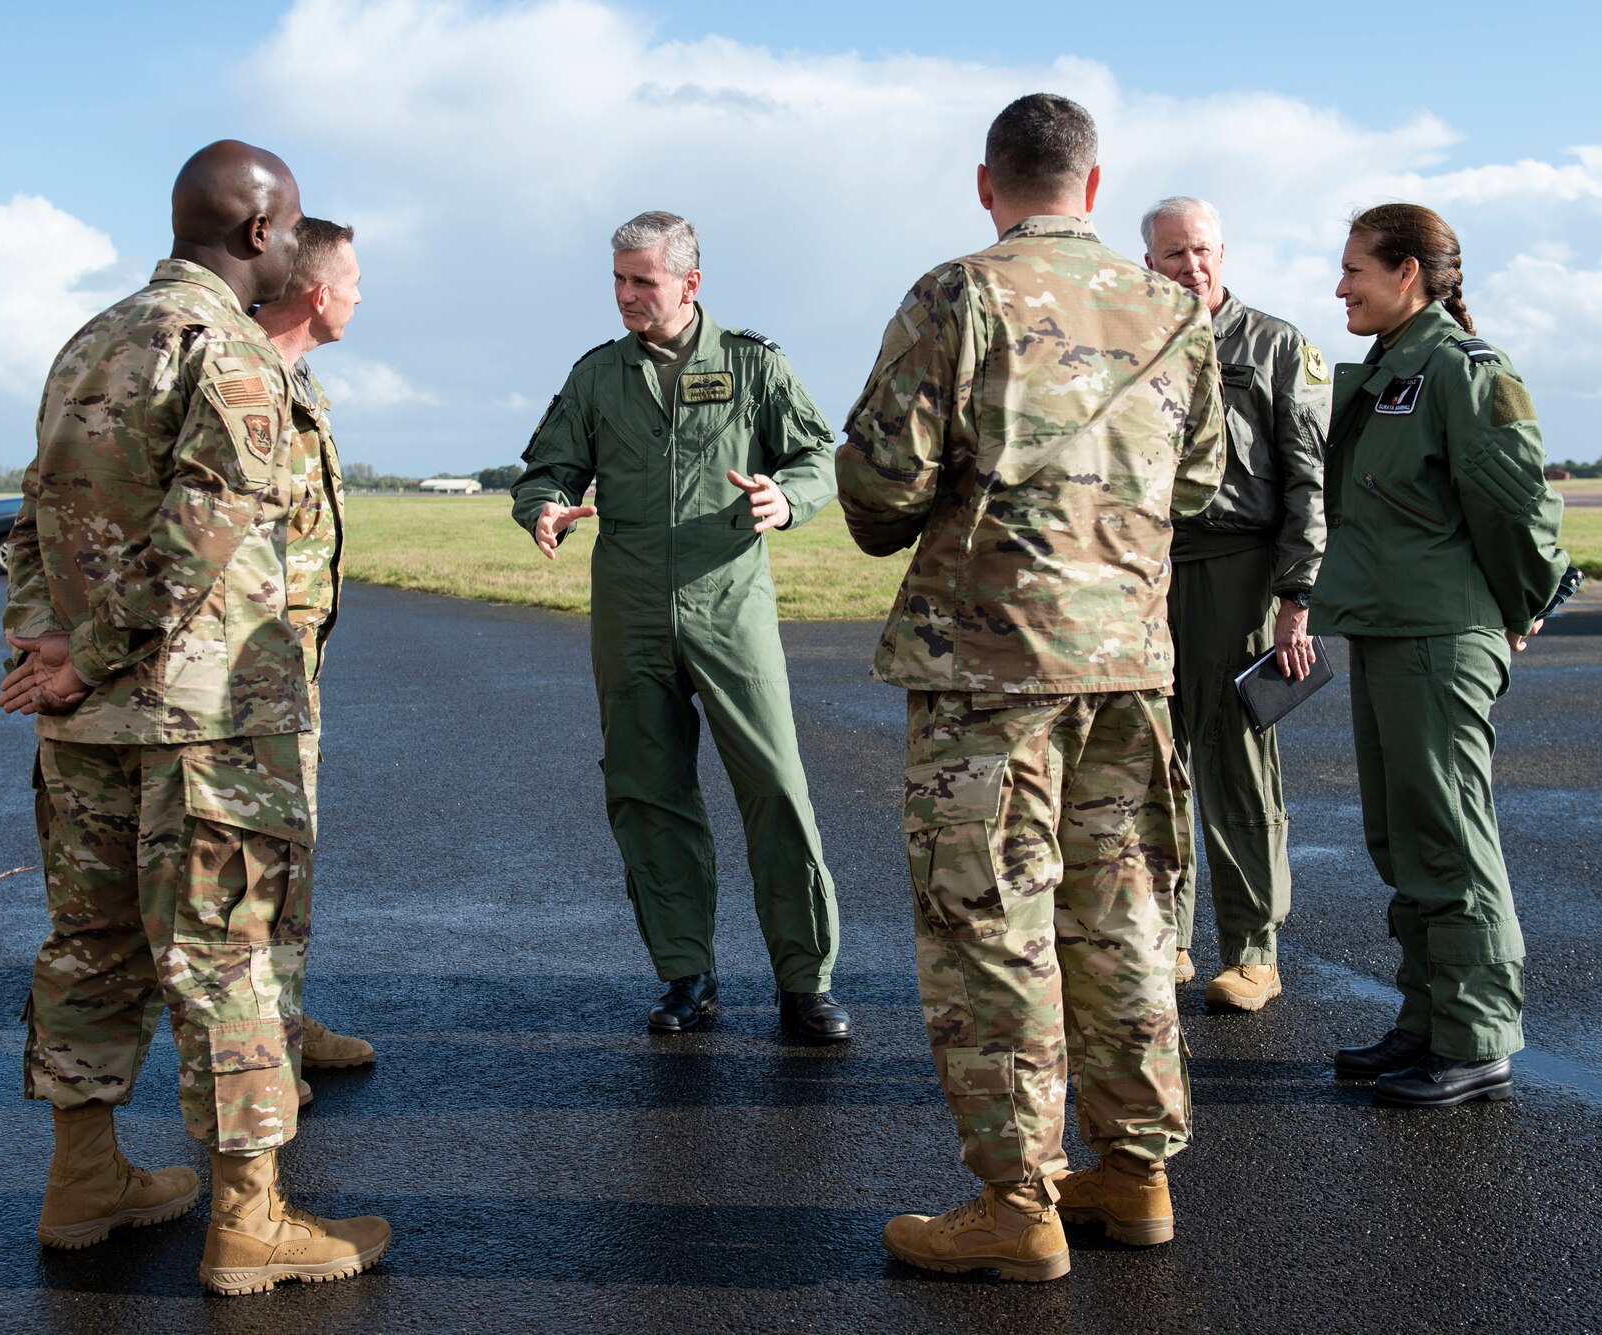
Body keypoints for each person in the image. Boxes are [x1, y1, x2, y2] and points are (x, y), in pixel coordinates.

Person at [838, 94, 1224, 1279]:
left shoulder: (958, 293)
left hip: (991, 670)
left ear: (985, 184)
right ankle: (1134, 1169)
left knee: (991, 924)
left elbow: (879, 490)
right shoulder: (1172, 308)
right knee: (1122, 915)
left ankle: (1017, 1201)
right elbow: (1201, 483)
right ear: (1094, 190)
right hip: (1130, 669)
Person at [0, 141, 390, 1295]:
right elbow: (201, 536)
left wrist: (47, 651)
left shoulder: (90, 340)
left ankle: (84, 1182)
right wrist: (88, 652)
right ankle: (247, 1221)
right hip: (204, 722)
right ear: (262, 233)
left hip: (87, 723)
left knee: (91, 943)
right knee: (230, 959)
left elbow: (34, 515)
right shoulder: (228, 355)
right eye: (295, 226)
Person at [511, 211, 852, 1043]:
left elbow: (817, 457)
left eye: (644, 281)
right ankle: (685, 975)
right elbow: (548, 467)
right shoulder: (597, 376)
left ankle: (804, 981)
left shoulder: (751, 365)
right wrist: (544, 508)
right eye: (619, 281)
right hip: (628, 608)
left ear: (690, 284)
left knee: (775, 784)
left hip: (729, 599)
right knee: (645, 788)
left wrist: (788, 496)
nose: (627, 296)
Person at [1316, 203, 1573, 1108]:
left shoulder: (1465, 371)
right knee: (1401, 833)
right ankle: (1426, 1018)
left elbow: (1519, 505)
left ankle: (1475, 1037)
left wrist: (1524, 600)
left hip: (1438, 633)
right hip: (1390, 625)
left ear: (1408, 274)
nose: (1339, 285)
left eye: (1354, 269)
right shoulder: (1393, 368)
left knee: (1450, 835)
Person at [1140, 196, 1329, 1011]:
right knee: (1157, 758)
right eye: (1176, 254)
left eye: (1205, 249)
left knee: (1239, 757)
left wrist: (1296, 597)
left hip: (1244, 567)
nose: (1194, 265)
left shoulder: (1276, 344)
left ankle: (1254, 950)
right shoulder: (1134, 343)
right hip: (1153, 571)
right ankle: (1170, 939)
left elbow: (1307, 479)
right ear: (1149, 262)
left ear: (1225, 253)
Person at [253, 218, 375, 1101]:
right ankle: (252, 1061)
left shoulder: (301, 380)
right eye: (356, 281)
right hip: (236, 670)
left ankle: (282, 1021)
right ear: (319, 292)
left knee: (290, 848)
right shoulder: (242, 377)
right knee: (244, 865)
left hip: (290, 661)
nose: (362, 296)